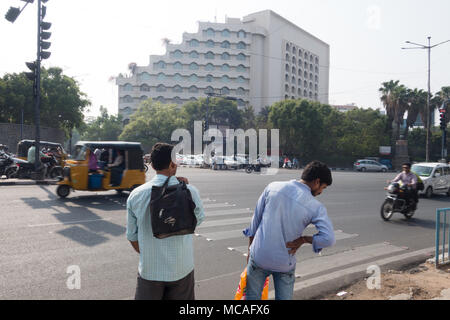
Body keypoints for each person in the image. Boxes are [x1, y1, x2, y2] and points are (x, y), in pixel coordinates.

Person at [243, 160, 336, 300]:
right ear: (317, 182)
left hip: (259, 257)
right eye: (323, 187)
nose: (321, 192)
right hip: (284, 262)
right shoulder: (315, 206)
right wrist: (304, 239)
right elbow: (328, 239)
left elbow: (255, 222)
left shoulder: (273, 187)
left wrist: (250, 251)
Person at [126, 142, 205, 300]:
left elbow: (132, 236)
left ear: (153, 165)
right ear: (172, 164)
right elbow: (198, 219)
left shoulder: (136, 195)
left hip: (150, 272)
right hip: (182, 269)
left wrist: (149, 253)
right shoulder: (190, 192)